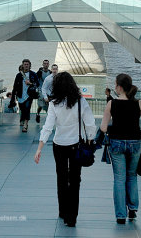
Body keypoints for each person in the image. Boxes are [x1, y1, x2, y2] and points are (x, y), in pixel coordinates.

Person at [34, 72, 96, 227]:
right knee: (75, 180)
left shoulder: (54, 103)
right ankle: (72, 216)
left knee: (61, 178)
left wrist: (40, 148)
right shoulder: (80, 101)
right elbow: (89, 123)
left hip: (58, 145)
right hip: (76, 144)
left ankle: (62, 211)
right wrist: (90, 139)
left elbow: (48, 127)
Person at [99, 73, 141, 224]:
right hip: (135, 143)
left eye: (115, 84)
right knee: (131, 176)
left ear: (119, 87)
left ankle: (120, 215)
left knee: (119, 178)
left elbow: (103, 128)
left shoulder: (112, 104)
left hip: (116, 143)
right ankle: (133, 209)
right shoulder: (139, 103)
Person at [10, 59, 39, 133]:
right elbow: (15, 87)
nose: (26, 66)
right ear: (22, 65)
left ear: (30, 65)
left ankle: (25, 124)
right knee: (22, 109)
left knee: (27, 108)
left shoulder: (33, 74)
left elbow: (37, 84)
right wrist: (13, 98)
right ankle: (22, 119)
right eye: (25, 64)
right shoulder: (19, 75)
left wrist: (31, 84)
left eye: (27, 64)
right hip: (20, 95)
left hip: (29, 95)